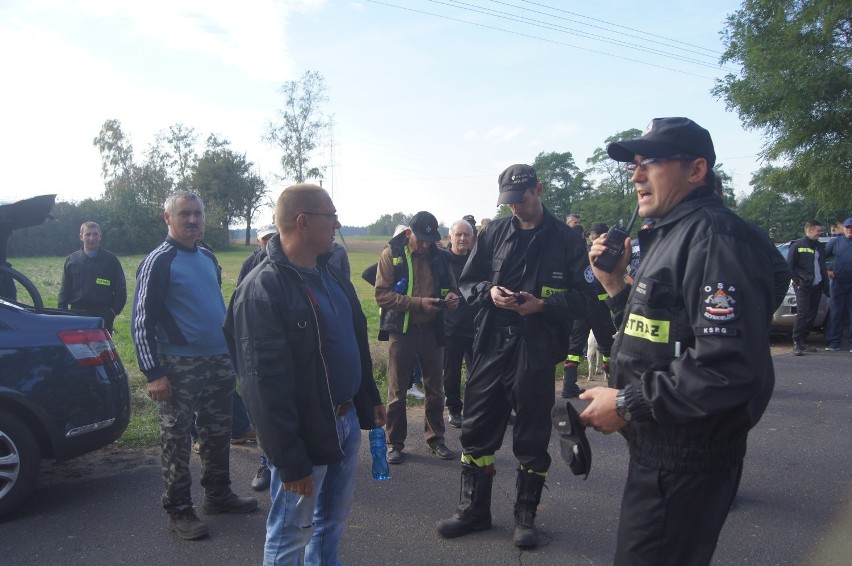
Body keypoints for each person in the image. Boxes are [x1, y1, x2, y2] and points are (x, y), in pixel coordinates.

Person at [580, 117, 775, 565]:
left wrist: (628, 403)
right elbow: (663, 333)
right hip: (662, 447)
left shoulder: (714, 238)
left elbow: (726, 367)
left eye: (650, 162)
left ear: (696, 170)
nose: (635, 175)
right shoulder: (675, 234)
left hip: (686, 457)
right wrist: (615, 287)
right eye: (634, 164)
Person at [225, 184, 386, 566]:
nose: (337, 224)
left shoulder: (330, 274)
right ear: (303, 222)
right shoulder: (262, 290)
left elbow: (352, 340)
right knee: (290, 533)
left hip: (344, 419)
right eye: (330, 216)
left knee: (331, 522)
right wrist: (289, 460)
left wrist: (368, 396)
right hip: (305, 429)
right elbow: (262, 387)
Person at [437, 164, 594, 549]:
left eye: (521, 200)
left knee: (531, 435)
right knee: (475, 429)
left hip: (537, 348)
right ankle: (474, 510)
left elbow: (587, 299)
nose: (516, 209)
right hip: (492, 343)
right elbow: (470, 281)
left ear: (539, 190)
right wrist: (489, 292)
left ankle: (526, 518)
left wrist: (543, 305)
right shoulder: (494, 232)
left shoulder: (566, 240)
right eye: (508, 203)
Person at [132, 191, 258, 541]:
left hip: (218, 360)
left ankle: (218, 495)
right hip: (176, 365)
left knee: (218, 432)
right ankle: (179, 510)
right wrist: (153, 372)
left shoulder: (207, 256)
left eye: (197, 214)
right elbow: (141, 320)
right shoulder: (158, 261)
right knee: (177, 439)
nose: (192, 220)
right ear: (167, 218)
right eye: (184, 214)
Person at [375, 210, 460, 464]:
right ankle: (395, 443)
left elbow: (452, 289)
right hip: (402, 331)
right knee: (397, 390)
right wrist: (418, 303)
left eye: (429, 239)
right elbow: (382, 295)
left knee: (436, 389)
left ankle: (436, 439)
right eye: (421, 239)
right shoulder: (392, 254)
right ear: (409, 233)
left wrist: (453, 299)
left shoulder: (441, 257)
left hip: (433, 330)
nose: (425, 244)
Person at [561, 221, 616, 398]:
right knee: (607, 347)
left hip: (580, 306)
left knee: (575, 347)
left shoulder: (577, 251)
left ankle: (568, 386)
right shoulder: (605, 252)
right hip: (599, 307)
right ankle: (613, 384)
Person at [58, 221, 127, 332]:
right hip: (77, 315)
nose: (92, 238)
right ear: (81, 237)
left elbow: (121, 291)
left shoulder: (111, 260)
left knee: (101, 349)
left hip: (103, 316)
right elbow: (64, 291)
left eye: (95, 234)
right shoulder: (72, 260)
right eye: (88, 234)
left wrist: (112, 313)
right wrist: (63, 314)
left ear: (100, 236)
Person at [442, 219, 476, 428]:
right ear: (450, 237)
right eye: (459, 235)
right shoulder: (443, 261)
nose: (463, 238)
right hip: (451, 327)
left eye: (467, 235)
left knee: (479, 373)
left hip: (476, 326)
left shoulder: (478, 260)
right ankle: (454, 410)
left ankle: (477, 409)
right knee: (452, 373)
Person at [787, 220, 830, 355]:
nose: (820, 233)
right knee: (803, 313)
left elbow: (822, 265)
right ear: (809, 230)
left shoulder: (819, 246)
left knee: (811, 314)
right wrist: (797, 282)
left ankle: (803, 342)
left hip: (817, 285)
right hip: (803, 286)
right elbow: (789, 267)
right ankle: (796, 343)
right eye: (818, 230)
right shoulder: (797, 245)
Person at [825, 218, 852, 351]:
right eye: (847, 227)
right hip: (838, 283)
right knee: (836, 313)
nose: (849, 230)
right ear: (843, 228)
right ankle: (834, 342)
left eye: (851, 228)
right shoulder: (835, 242)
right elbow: (822, 257)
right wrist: (829, 268)